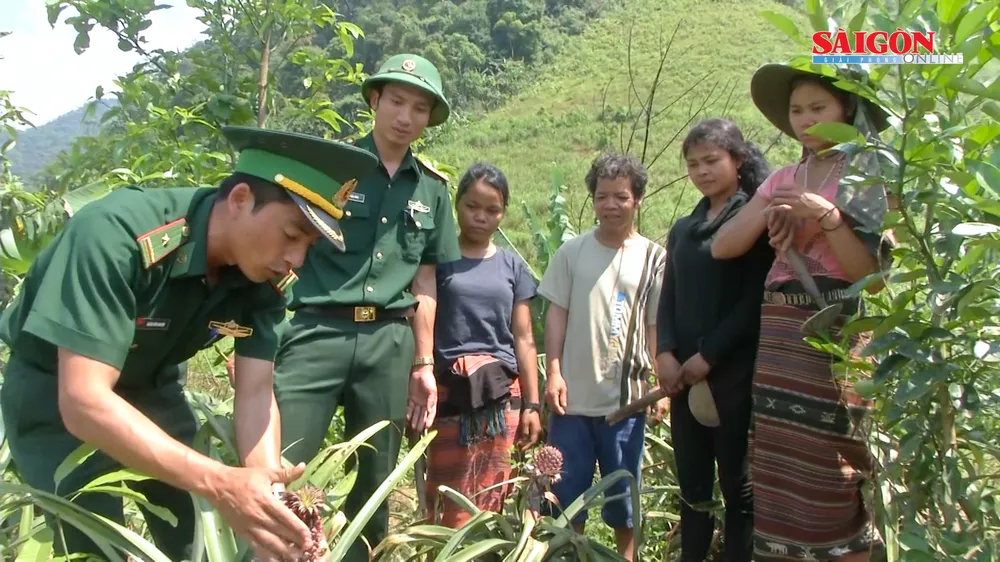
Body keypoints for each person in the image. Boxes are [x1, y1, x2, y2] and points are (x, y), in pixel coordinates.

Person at [0, 126, 379, 561]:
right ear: (239, 200)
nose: (297, 258)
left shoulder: (263, 278)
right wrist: (219, 482)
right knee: (93, 544)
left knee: (197, 540)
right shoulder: (116, 236)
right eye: (292, 235)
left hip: (152, 388)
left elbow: (255, 393)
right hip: (56, 394)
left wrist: (274, 507)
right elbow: (83, 400)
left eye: (309, 246)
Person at [271, 53, 461, 560]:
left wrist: (423, 363)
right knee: (284, 471)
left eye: (419, 108)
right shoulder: (333, 169)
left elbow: (425, 280)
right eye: (397, 101)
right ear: (375, 101)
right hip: (315, 332)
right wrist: (257, 335)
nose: (406, 117)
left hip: (389, 345)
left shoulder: (433, 190)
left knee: (374, 487)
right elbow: (287, 248)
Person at [712, 63, 893, 561]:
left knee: (837, 459)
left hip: (838, 336)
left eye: (819, 108)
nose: (806, 120)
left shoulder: (864, 174)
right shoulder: (784, 177)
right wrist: (771, 219)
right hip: (781, 337)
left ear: (846, 110)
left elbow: (870, 275)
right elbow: (724, 245)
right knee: (779, 459)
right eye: (797, 111)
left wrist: (828, 218)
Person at [538, 152, 668, 561]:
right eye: (602, 196)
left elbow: (654, 325)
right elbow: (555, 316)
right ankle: (570, 555)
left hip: (626, 401)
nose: (610, 205)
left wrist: (660, 385)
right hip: (572, 399)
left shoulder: (653, 257)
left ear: (638, 200)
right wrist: (553, 373)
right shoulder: (571, 254)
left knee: (624, 497)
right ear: (592, 199)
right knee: (567, 493)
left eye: (621, 197)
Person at [656, 118, 774, 561]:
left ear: (737, 161)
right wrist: (665, 352)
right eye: (693, 164)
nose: (702, 171)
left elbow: (753, 301)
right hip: (682, 376)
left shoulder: (751, 221)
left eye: (711, 161)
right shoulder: (685, 228)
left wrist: (709, 355)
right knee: (693, 487)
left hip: (733, 373)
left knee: (737, 488)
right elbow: (668, 293)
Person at [423, 162, 542, 528]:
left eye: (492, 210)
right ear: (457, 205)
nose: (481, 217)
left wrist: (533, 405)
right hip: (448, 393)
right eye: (473, 206)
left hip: (501, 395)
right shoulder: (437, 261)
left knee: (496, 495)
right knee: (445, 496)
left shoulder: (512, 267)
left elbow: (523, 337)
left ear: (503, 213)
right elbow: (423, 319)